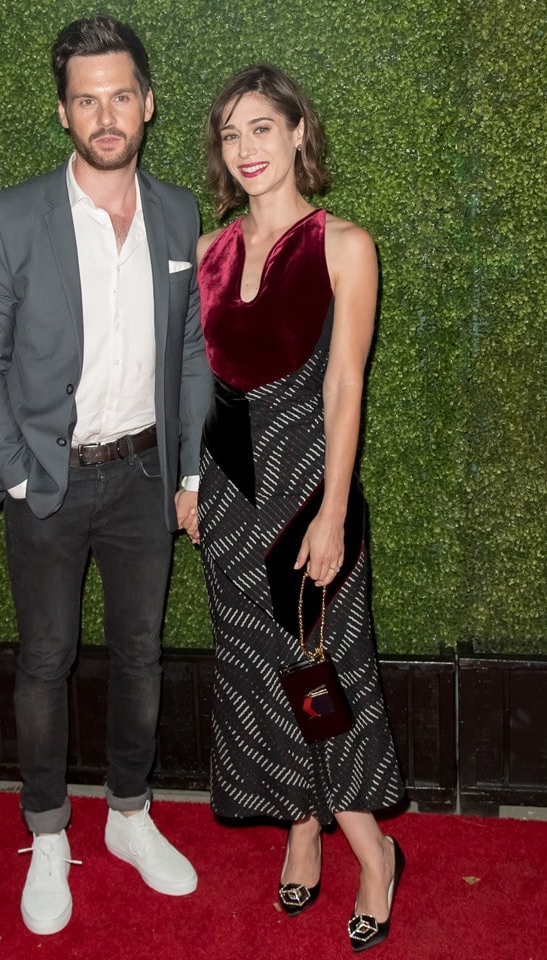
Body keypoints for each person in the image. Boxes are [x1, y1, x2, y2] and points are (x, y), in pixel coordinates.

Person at [0, 15, 211, 936]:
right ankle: (51, 831)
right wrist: (17, 477)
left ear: (148, 103)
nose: (107, 114)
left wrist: (187, 470)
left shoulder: (181, 212)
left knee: (140, 654)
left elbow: (190, 350)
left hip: (147, 477)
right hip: (50, 484)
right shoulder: (8, 217)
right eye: (86, 98)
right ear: (63, 111)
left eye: (121, 96)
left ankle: (131, 817)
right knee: (45, 662)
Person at [196, 65, 406, 953]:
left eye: (262, 130)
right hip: (229, 501)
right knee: (256, 673)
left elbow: (346, 389)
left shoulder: (343, 244)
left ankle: (373, 850)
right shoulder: (210, 250)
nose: (246, 149)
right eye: (231, 135)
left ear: (296, 134)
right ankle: (299, 827)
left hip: (308, 497)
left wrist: (329, 512)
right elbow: (197, 385)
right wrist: (192, 488)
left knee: (324, 677)